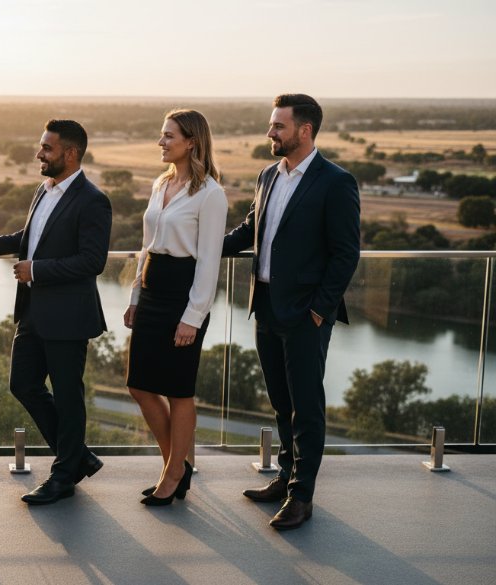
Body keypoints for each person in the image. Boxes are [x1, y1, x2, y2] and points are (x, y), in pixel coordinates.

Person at [222, 94, 360, 530]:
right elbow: (249, 231)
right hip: (265, 308)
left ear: (305, 130)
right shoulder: (267, 175)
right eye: (271, 125)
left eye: (278, 126)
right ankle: (285, 476)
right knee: (282, 402)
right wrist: (198, 247)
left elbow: (344, 254)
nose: (270, 133)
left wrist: (319, 311)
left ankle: (303, 496)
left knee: (307, 407)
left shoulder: (336, 182)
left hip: (305, 315)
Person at [0, 119, 111, 505]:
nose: (39, 153)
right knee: (22, 384)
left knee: (68, 395)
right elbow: (29, 236)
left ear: (70, 153)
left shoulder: (93, 200)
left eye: (46, 148)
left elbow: (92, 261)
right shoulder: (43, 190)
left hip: (68, 316)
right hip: (32, 311)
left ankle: (64, 473)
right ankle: (77, 456)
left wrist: (38, 270)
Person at [123, 109, 227, 506]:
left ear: (192, 142)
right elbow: (146, 247)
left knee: (180, 392)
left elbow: (208, 262)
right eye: (161, 135)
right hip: (152, 290)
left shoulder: (211, 194)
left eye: (169, 136)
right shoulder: (160, 183)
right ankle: (176, 466)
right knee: (139, 385)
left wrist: (193, 317)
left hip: (184, 296)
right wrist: (135, 297)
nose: (161, 142)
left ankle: (172, 474)